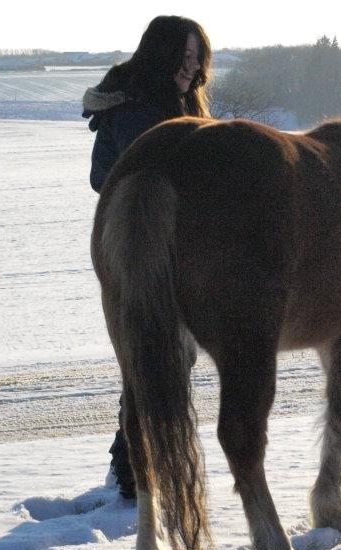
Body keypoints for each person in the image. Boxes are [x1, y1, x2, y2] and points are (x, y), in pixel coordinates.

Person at [82, 15, 212, 497]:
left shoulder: (182, 102)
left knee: (167, 354)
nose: (191, 66)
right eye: (183, 56)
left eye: (197, 57)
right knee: (152, 351)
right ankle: (132, 468)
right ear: (161, 55)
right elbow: (101, 177)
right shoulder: (133, 106)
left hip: (182, 247)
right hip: (137, 248)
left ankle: (138, 463)